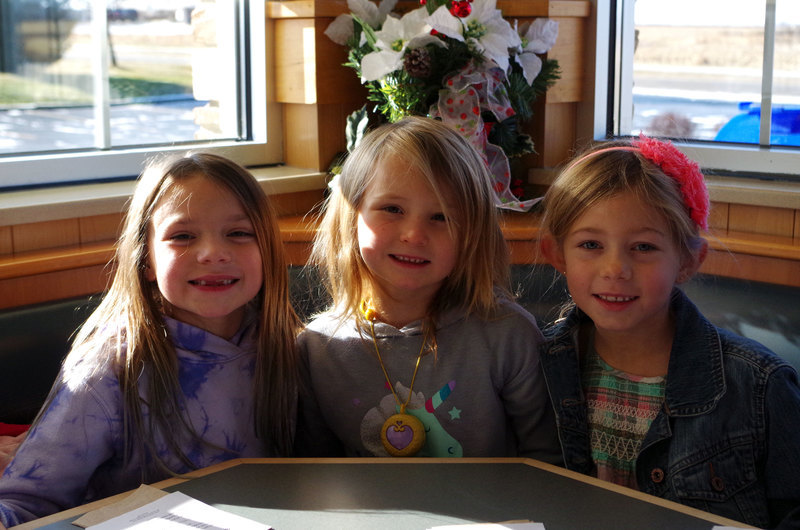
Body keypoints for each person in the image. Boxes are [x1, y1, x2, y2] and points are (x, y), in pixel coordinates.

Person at [0, 153, 300, 527]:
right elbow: (26, 501)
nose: (213, 253)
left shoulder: (291, 348)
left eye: (239, 233)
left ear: (267, 251)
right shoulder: (109, 370)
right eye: (182, 236)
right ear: (146, 261)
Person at [537, 135, 800, 529]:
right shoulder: (536, 363)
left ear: (688, 261)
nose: (615, 269)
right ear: (557, 254)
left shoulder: (760, 385)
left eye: (643, 247)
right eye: (591, 244)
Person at [294, 116, 560, 461]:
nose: (415, 235)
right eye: (392, 209)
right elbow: (313, 467)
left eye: (441, 217)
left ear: (474, 234)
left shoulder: (509, 336)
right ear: (351, 217)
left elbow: (546, 460)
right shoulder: (316, 348)